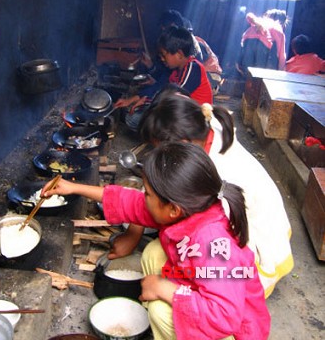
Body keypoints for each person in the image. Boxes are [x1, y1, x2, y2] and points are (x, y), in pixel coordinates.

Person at [42, 142, 271, 340]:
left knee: (160, 311)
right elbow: (130, 201)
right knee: (154, 251)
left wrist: (165, 290)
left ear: (173, 209)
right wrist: (73, 188)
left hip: (234, 330)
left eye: (148, 194)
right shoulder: (190, 207)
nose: (145, 197)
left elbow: (223, 316)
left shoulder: (212, 244)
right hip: (208, 294)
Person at [113, 91, 294, 298]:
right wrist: (134, 230)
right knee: (159, 250)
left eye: (159, 148)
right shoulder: (204, 126)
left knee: (169, 264)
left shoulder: (220, 173)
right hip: (267, 231)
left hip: (257, 257)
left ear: (183, 143)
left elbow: (210, 234)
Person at [237, 9, 288, 75]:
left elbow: (244, 38)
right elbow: (281, 55)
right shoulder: (277, 28)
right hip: (261, 48)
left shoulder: (258, 23)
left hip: (246, 44)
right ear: (282, 22)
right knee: (258, 74)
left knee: (247, 71)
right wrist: (281, 72)